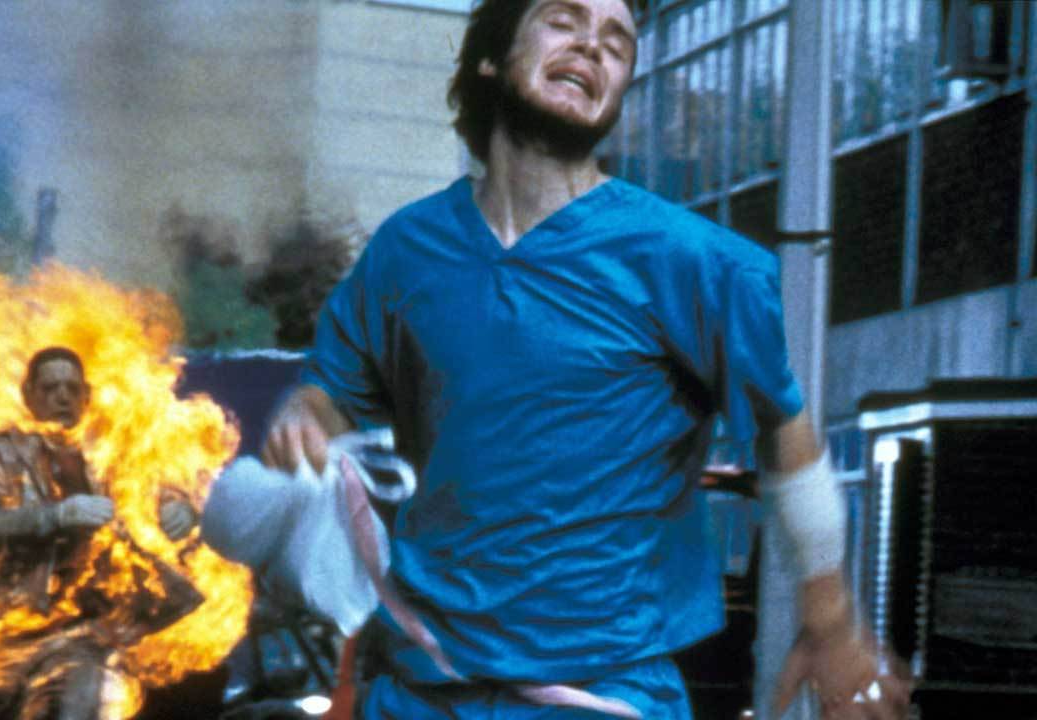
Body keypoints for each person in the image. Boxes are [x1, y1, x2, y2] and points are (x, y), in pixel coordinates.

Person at [260, 1, 911, 718]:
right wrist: (306, 414)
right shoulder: (405, 251)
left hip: (600, 695)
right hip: (418, 692)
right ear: (491, 57)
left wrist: (831, 620)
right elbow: (332, 391)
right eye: (564, 19)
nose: (593, 45)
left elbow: (786, 435)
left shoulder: (697, 263)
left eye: (617, 43)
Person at [0, 346, 200, 720]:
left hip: (84, 631)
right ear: (28, 395)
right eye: (50, 388)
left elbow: (158, 487)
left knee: (81, 705)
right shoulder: (4, 454)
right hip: (6, 634)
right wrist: (54, 516)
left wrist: (182, 508)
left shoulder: (108, 453)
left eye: (72, 388)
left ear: (86, 396)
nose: (62, 397)